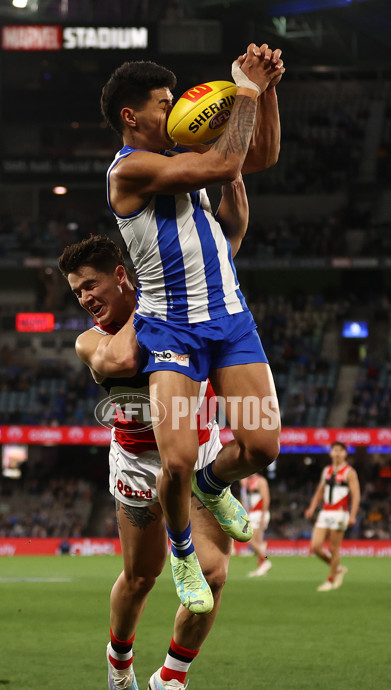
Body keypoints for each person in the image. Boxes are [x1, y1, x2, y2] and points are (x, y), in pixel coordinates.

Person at [100, 44, 283, 617]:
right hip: (171, 330)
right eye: (162, 103)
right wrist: (243, 91)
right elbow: (223, 164)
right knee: (174, 459)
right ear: (133, 117)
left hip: (228, 319)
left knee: (261, 445)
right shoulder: (130, 169)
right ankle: (182, 552)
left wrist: (267, 90)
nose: (173, 108)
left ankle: (212, 483)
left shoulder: (185, 162)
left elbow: (262, 156)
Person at [59, 233, 240, 690]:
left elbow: (222, 257)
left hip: (199, 448)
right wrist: (165, 296)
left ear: (120, 276)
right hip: (139, 463)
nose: (86, 299)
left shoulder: (177, 303)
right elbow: (122, 360)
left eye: (91, 286)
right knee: (142, 577)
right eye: (77, 293)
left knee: (215, 572)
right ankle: (119, 660)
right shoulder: (91, 340)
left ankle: (173, 678)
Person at [304, 442, 360, 592]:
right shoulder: (327, 470)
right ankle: (338, 569)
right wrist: (312, 507)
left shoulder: (349, 472)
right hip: (325, 511)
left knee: (334, 548)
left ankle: (330, 579)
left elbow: (356, 495)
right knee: (316, 546)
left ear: (345, 454)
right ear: (330, 453)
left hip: (340, 513)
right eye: (335, 450)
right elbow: (320, 491)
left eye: (340, 451)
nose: (337, 453)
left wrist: (353, 515)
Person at [241, 472, 272, 576]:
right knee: (258, 544)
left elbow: (266, 498)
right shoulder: (246, 482)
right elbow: (244, 499)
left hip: (259, 513)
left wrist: (263, 515)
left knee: (249, 538)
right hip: (251, 513)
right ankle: (262, 566)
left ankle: (266, 560)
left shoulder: (260, 481)